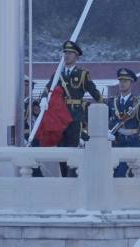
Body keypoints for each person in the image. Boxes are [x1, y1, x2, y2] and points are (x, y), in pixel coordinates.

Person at [40, 41, 104, 177]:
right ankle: (64, 180)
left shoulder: (82, 74)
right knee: (61, 152)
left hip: (75, 118)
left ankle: (74, 180)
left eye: (70, 53)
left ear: (76, 57)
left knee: (73, 151)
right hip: (60, 118)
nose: (67, 56)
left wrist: (105, 112)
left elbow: (96, 94)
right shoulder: (58, 74)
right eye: (65, 53)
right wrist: (44, 98)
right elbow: (47, 89)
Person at [107, 68, 140, 177]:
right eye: (121, 81)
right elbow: (103, 119)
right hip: (116, 142)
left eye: (125, 81)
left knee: (124, 174)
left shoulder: (137, 102)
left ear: (131, 84)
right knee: (112, 175)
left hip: (131, 142)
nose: (122, 83)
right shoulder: (112, 101)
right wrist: (105, 131)